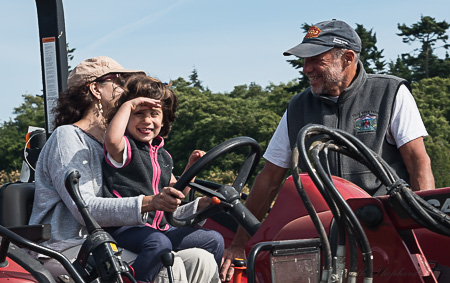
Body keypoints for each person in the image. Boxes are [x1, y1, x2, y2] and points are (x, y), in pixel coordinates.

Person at [219, 19, 435, 281]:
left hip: (382, 225)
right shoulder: (298, 106)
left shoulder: (389, 92)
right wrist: (240, 243)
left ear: (347, 58)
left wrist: (425, 233)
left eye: (315, 60)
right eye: (304, 60)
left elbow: (418, 163)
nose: (305, 69)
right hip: (319, 230)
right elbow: (270, 177)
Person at [28, 56, 221, 283]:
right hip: (72, 246)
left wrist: (197, 207)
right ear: (95, 89)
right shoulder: (68, 137)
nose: (127, 88)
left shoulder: (129, 145)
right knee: (169, 265)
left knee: (201, 259)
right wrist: (151, 202)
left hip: (112, 240)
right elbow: (86, 210)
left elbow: (155, 214)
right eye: (120, 81)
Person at [102, 74, 224, 283]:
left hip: (160, 228)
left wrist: (190, 170)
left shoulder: (162, 155)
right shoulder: (125, 148)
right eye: (139, 113)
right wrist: (128, 105)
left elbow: (177, 191)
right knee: (158, 245)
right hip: (126, 228)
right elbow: (111, 140)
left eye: (154, 114)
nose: (147, 120)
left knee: (214, 239)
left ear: (164, 118)